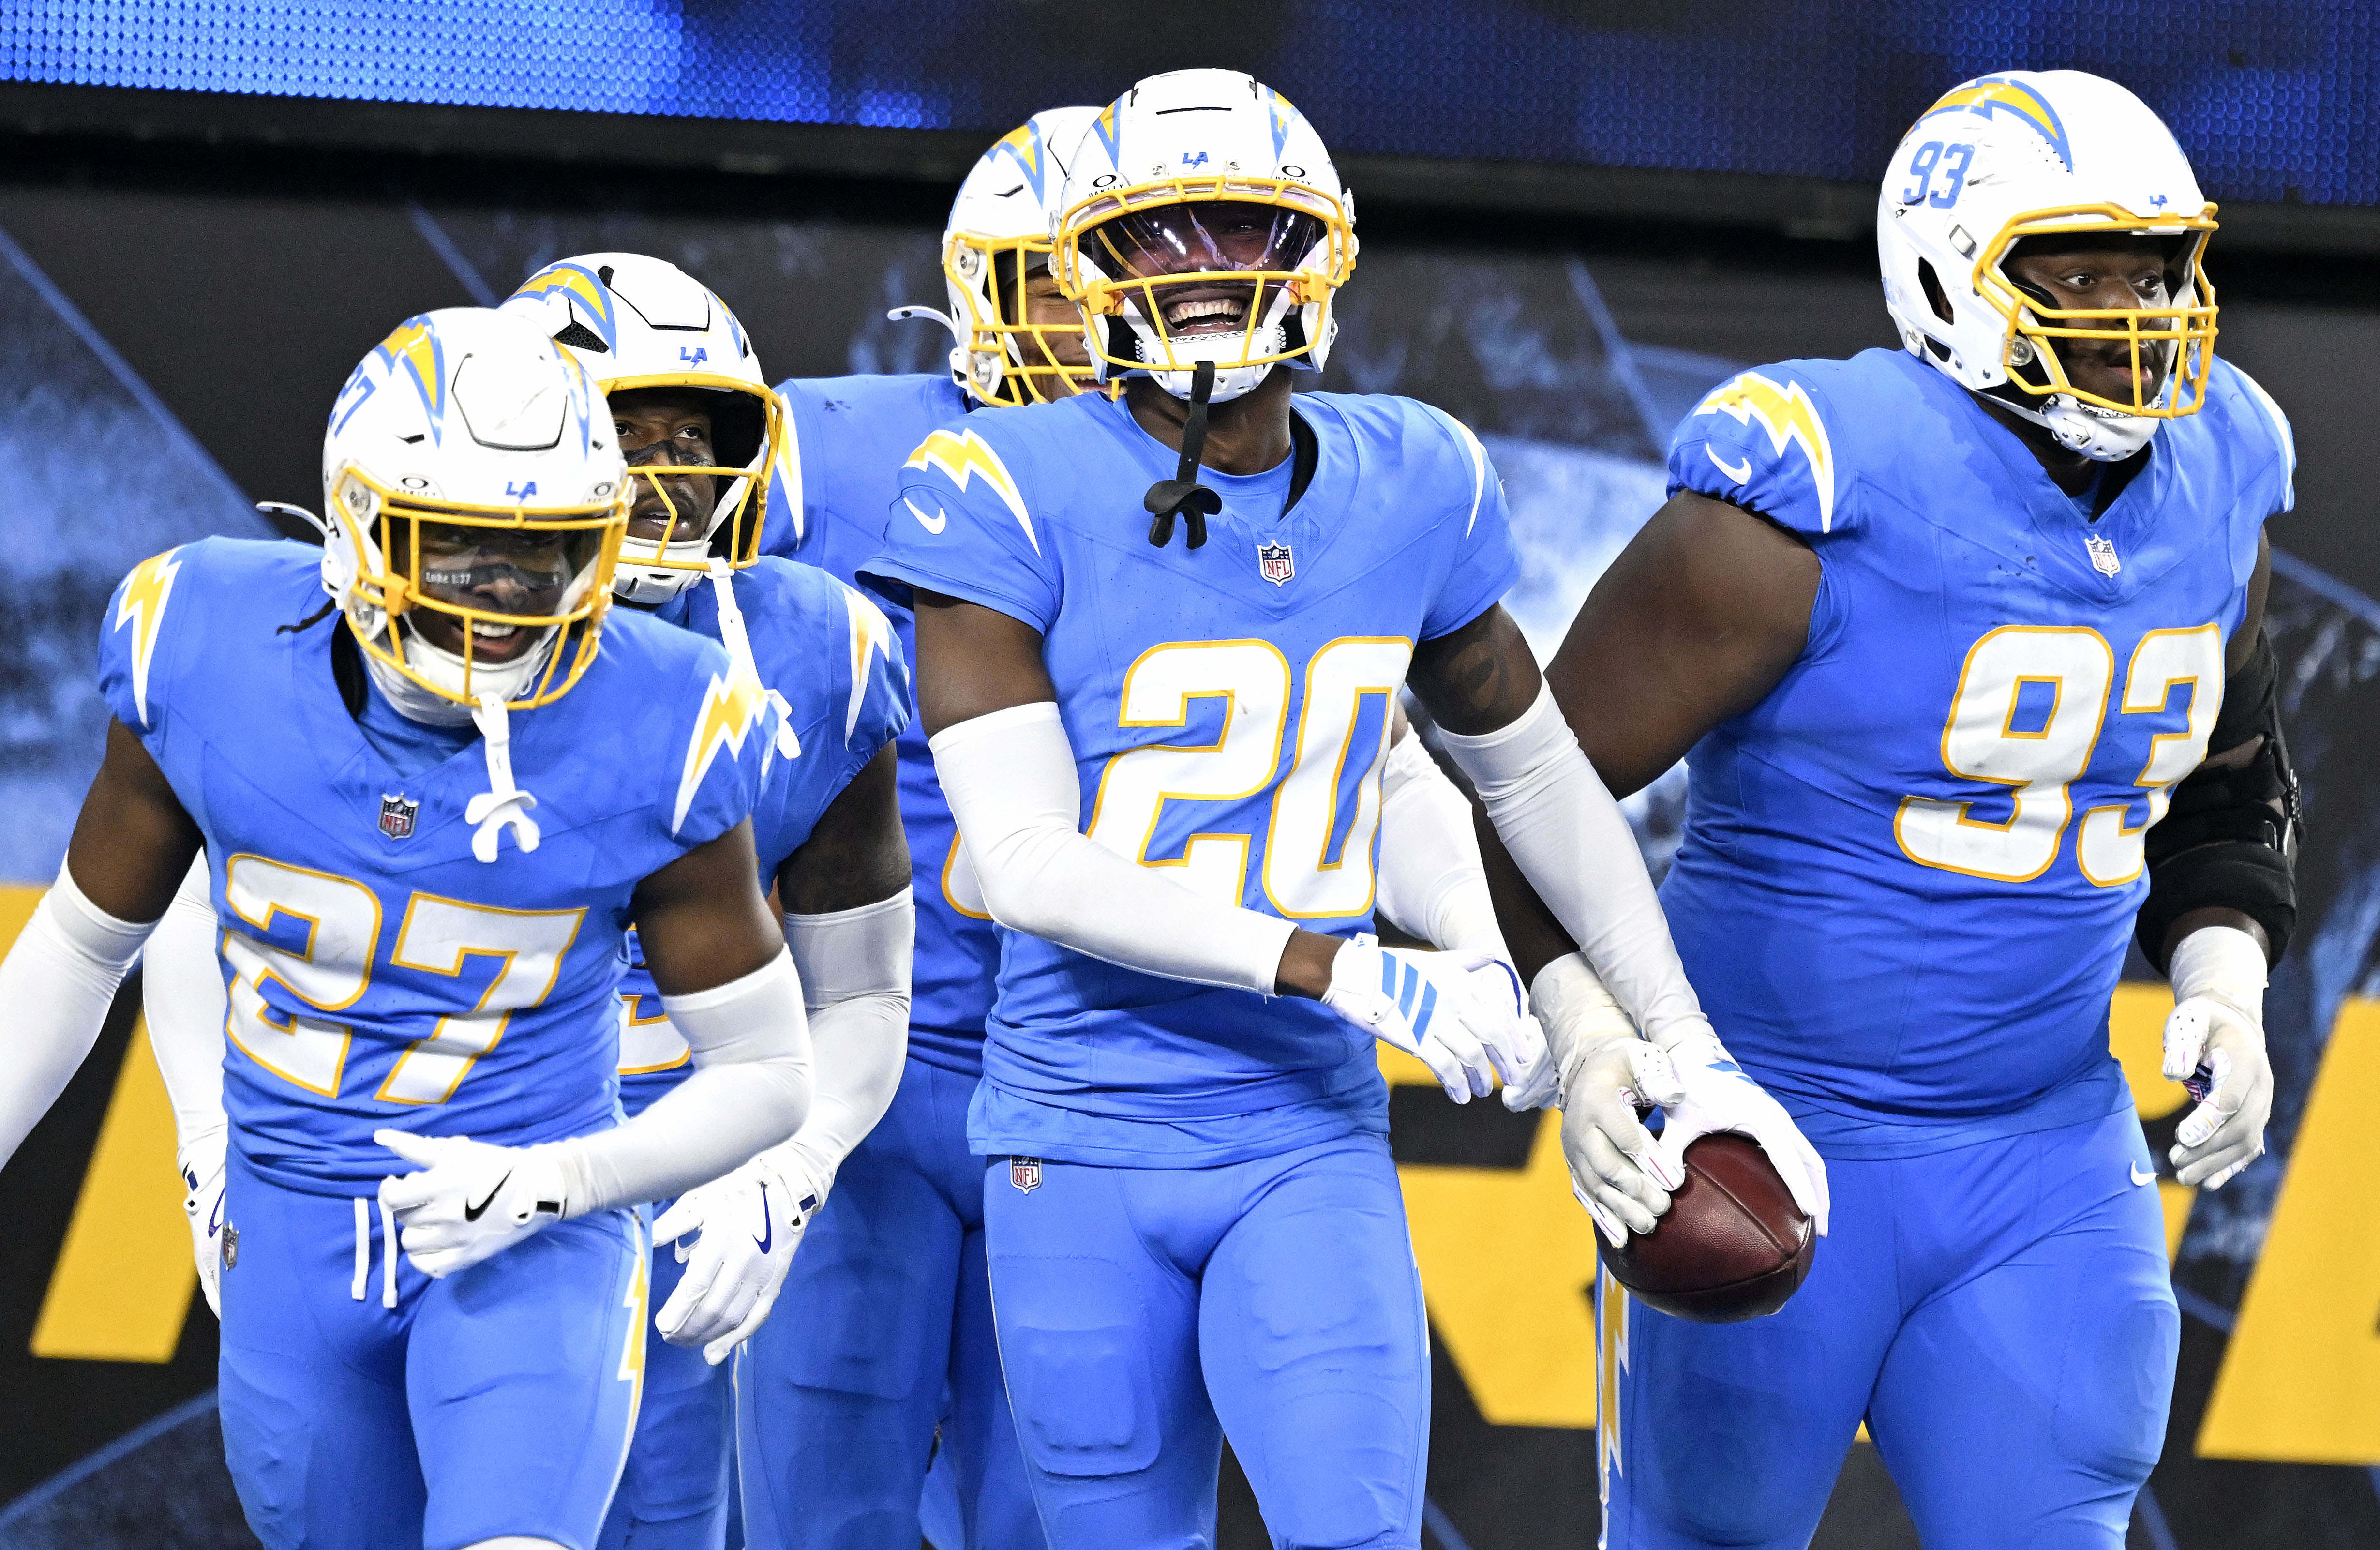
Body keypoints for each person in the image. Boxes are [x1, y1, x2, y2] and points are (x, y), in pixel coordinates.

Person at [858, 69, 1740, 1550]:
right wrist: (1343, 962)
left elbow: (1497, 770)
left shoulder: (1415, 477)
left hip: (1300, 1129)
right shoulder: (997, 480)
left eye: (1243, 230)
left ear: (1320, 250)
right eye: (1163, 234)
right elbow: (1018, 861)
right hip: (1079, 1135)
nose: (1205, 272)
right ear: (1096, 264)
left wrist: (1594, 1013)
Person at [1479, 70, 2296, 1548]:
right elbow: (1519, 780)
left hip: (2045, 1152)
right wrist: (1594, 1034)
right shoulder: (1809, 491)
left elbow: (2226, 774)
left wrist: (2228, 988)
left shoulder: (2219, 467)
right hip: (1769, 1125)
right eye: (2079, 266)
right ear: (1942, 276)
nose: (2136, 306)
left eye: (2159, 263)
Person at [755, 103, 1523, 1550]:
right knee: (829, 1505)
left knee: (1031, 1520)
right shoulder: (858, 451)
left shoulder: (1249, 475)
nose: (1079, 311)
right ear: (973, 288)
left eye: (1084, 269)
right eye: (1038, 276)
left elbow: (1379, 756)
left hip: (1138, 1061)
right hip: (897, 1051)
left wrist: (1481, 951)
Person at [0, 307, 815, 1550]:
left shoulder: (664, 712)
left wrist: (555, 1183)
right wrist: (209, 1137)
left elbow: (767, 1072)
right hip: (294, 1229)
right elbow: (83, 946)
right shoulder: (204, 642)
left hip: (536, 1238)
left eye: (544, 558)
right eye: (461, 552)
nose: (504, 601)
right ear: (358, 527)